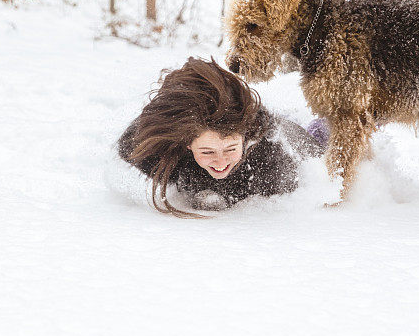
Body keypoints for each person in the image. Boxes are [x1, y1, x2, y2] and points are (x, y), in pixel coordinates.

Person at [117, 57, 328, 217]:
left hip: (299, 140)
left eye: (230, 149)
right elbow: (131, 143)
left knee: (321, 142)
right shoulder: (161, 149)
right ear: (187, 144)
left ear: (244, 141)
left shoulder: (271, 162)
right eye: (207, 151)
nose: (220, 162)